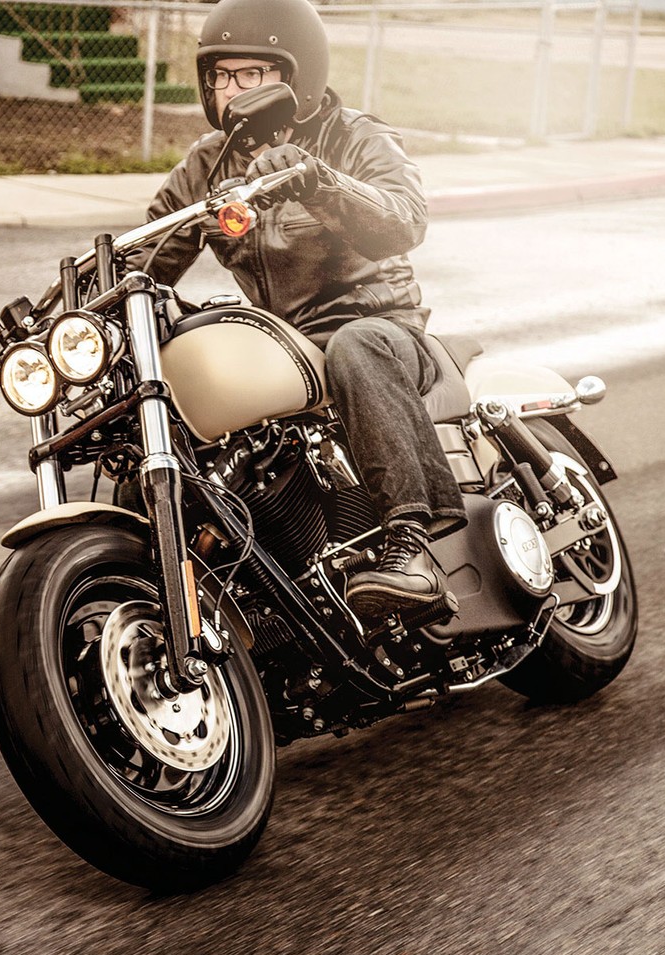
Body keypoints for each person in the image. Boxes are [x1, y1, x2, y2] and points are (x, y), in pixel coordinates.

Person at [133, 0, 463, 621]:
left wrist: (319, 181)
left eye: (252, 74)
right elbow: (149, 248)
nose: (233, 90)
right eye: (223, 76)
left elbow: (403, 221)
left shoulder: (355, 135)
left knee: (354, 345)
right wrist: (70, 310)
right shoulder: (212, 162)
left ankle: (410, 546)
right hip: (287, 343)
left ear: (297, 73)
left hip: (381, 327)